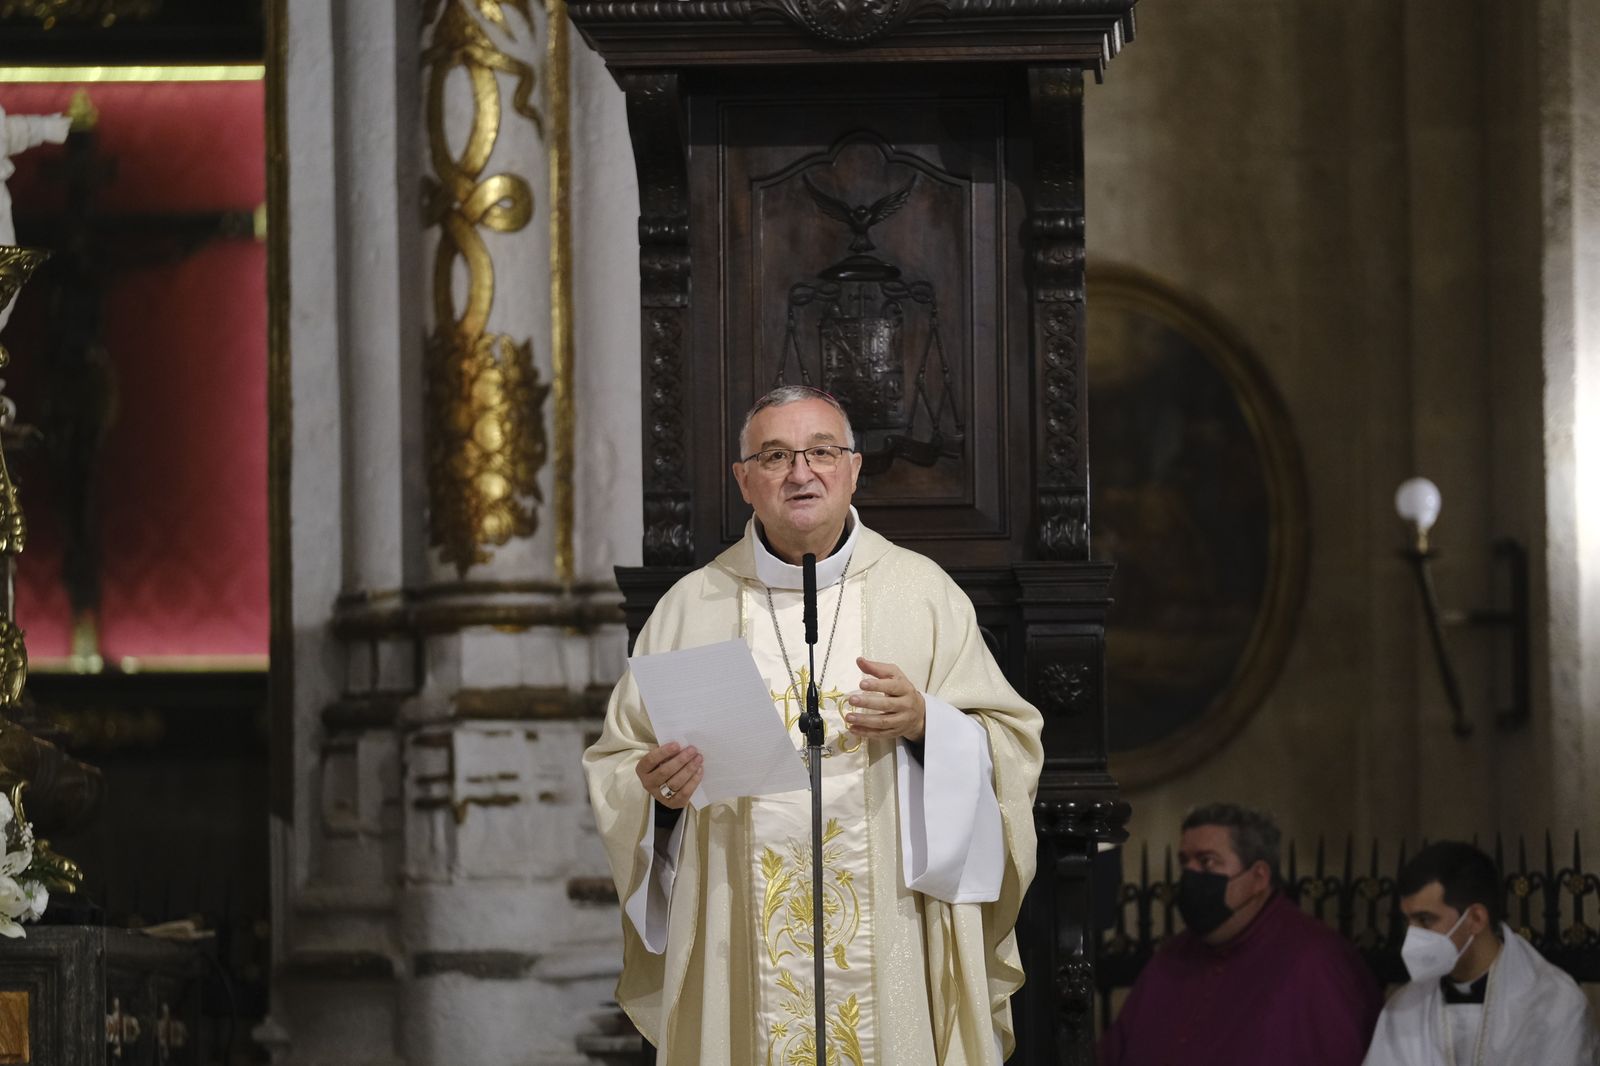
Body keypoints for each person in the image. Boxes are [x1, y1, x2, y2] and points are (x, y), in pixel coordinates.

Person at [583, 385, 1043, 1065]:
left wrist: (928, 723)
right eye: (774, 456)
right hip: (737, 935)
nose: (801, 472)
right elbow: (621, 764)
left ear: (853, 469)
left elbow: (1012, 744)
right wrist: (660, 797)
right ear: (744, 481)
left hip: (893, 926)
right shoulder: (690, 609)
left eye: (821, 452)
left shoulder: (922, 594)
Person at [1098, 803, 1381, 1066]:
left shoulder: (1315, 961)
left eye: (1207, 862)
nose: (1190, 875)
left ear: (1258, 877)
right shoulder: (1173, 955)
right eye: (1185, 862)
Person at [1363, 840, 1600, 1065]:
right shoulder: (1404, 1007)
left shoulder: (1554, 1004)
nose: (1412, 935)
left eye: (1425, 920)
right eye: (1409, 921)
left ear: (1476, 919)